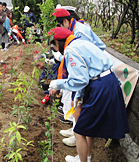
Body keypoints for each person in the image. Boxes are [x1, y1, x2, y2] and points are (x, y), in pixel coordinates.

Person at [48, 27, 129, 162]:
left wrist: (57, 84)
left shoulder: (70, 51)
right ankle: (87, 156)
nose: (56, 50)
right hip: (107, 82)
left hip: (99, 87)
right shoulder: (81, 42)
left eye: (54, 46)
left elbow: (79, 80)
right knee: (88, 127)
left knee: (79, 131)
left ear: (57, 42)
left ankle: (82, 160)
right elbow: (85, 72)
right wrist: (79, 96)